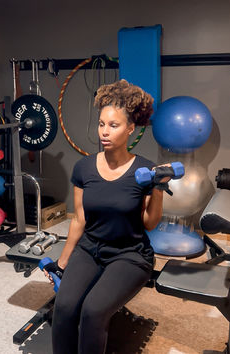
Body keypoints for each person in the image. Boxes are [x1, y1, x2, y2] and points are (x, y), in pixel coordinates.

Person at [44, 79, 171, 354]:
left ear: (130, 128)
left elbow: (150, 223)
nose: (104, 131)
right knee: (64, 307)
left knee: (93, 311)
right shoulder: (83, 168)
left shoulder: (146, 170)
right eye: (102, 124)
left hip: (130, 254)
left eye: (113, 125)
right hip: (91, 248)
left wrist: (158, 188)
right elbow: (79, 219)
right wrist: (62, 263)